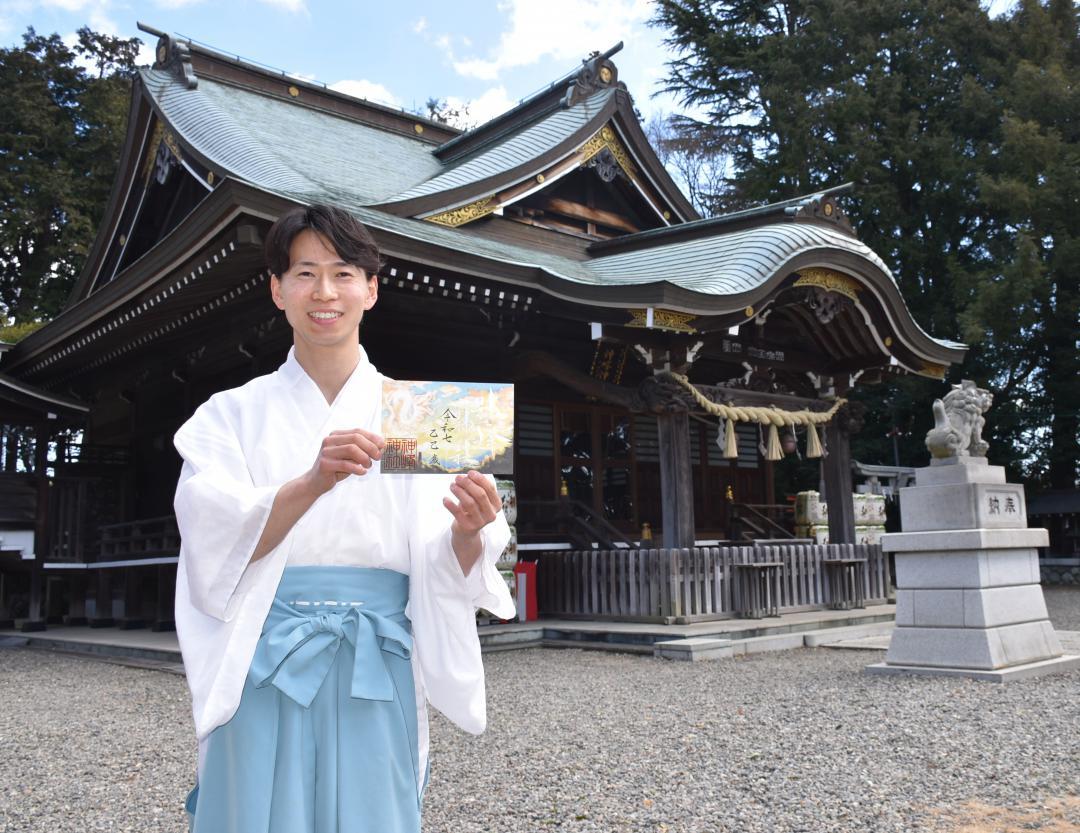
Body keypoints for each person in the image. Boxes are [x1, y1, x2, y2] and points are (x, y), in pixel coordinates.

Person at [174, 203, 514, 833]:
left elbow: (453, 563)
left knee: (372, 812)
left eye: (343, 272)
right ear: (277, 290)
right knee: (254, 811)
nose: (324, 292)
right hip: (261, 650)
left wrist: (469, 531)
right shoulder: (228, 415)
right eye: (304, 274)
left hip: (376, 657)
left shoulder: (427, 416)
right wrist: (310, 484)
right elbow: (210, 538)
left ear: (372, 289)